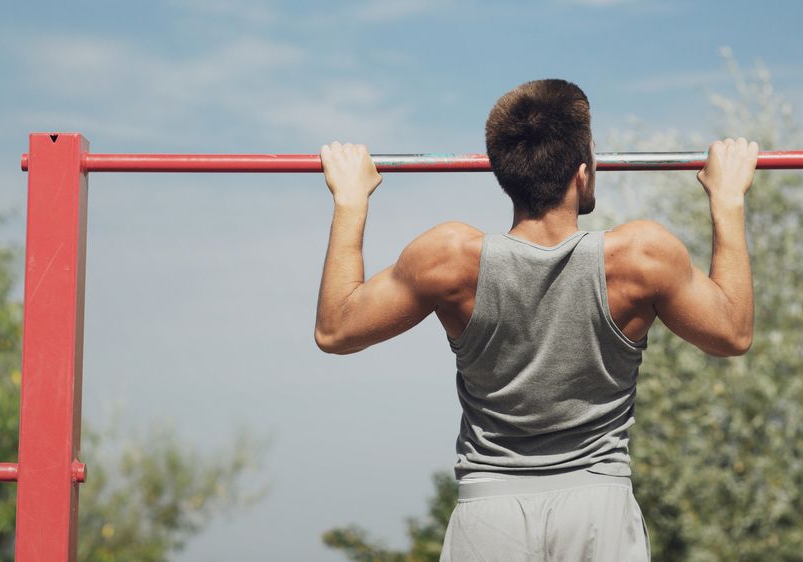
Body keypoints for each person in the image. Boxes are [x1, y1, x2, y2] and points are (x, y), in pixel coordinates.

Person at [314, 78, 757, 561]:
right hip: (598, 511)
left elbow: (335, 329)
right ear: (582, 174)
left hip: (490, 510)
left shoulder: (448, 258)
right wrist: (728, 201)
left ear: (505, 174)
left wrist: (350, 202)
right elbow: (732, 332)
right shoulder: (641, 257)